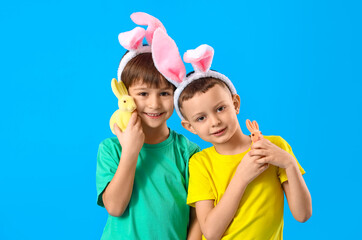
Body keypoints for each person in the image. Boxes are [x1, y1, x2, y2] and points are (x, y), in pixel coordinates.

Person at [151, 34, 312, 239]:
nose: (214, 122)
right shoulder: (200, 164)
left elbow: (303, 214)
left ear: (235, 104)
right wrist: (242, 177)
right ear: (189, 127)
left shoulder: (274, 147)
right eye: (201, 118)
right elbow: (210, 232)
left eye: (220, 109)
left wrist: (289, 163)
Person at [96, 12, 201, 240]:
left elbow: (198, 216)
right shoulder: (111, 149)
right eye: (143, 93)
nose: (154, 104)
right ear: (125, 94)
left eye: (164, 93)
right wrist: (131, 151)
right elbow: (114, 207)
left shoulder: (188, 152)